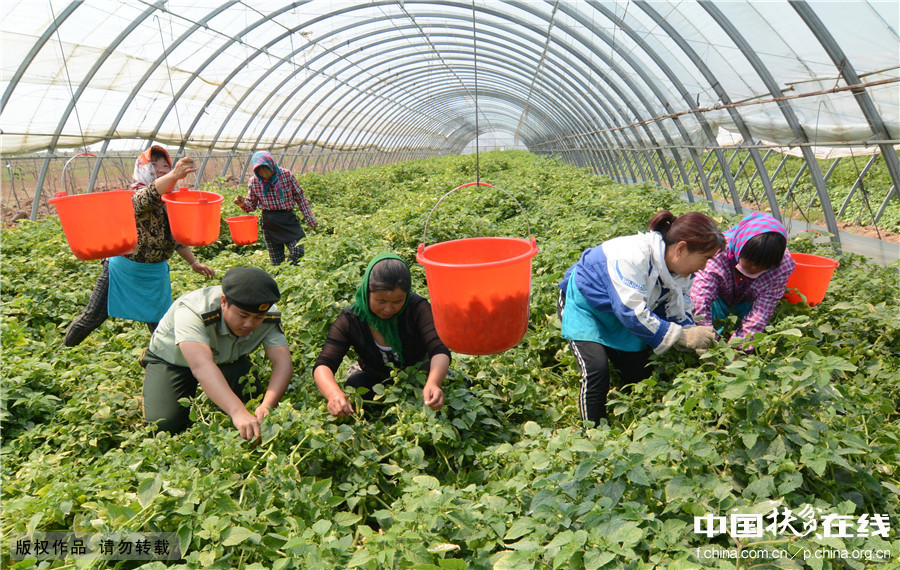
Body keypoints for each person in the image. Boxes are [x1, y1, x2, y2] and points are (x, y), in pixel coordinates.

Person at [557, 210, 726, 426]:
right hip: (586, 307)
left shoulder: (681, 272)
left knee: (638, 375)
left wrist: (695, 335)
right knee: (597, 370)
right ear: (682, 249)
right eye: (704, 259)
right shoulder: (631, 256)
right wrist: (683, 336)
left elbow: (678, 306)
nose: (704, 267)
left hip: (623, 313)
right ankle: (593, 433)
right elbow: (633, 313)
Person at [64, 145, 215, 347]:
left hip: (154, 273)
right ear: (143, 168)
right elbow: (149, 195)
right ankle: (65, 348)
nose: (161, 169)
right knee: (92, 316)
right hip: (123, 270)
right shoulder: (133, 196)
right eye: (154, 165)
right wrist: (175, 175)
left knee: (161, 323)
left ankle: (165, 360)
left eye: (165, 165)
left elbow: (175, 236)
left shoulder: (170, 201)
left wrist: (194, 263)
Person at [140, 266, 292, 440]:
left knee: (252, 404)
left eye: (257, 318)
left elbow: (282, 363)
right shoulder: (192, 311)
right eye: (243, 315)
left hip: (228, 361)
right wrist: (237, 412)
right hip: (173, 362)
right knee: (163, 426)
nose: (250, 324)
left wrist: (268, 405)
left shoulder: (267, 314)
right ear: (224, 301)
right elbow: (202, 367)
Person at [313, 253, 451, 417]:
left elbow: (439, 349)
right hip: (376, 377)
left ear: (406, 296)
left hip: (419, 375)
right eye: (381, 301)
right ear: (367, 292)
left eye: (397, 302)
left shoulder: (417, 308)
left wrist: (433, 383)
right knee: (356, 385)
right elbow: (324, 363)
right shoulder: (352, 318)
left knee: (447, 390)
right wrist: (333, 394)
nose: (388, 309)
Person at [690, 212, 796, 347]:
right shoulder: (719, 250)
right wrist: (705, 337)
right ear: (740, 248)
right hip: (719, 297)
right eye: (751, 261)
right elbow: (700, 297)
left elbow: (761, 312)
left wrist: (740, 347)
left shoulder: (782, 265)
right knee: (707, 317)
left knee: (751, 326)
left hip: (748, 301)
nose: (754, 268)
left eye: (763, 265)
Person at [234, 151, 318, 265]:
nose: (263, 172)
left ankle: (289, 272)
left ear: (271, 164)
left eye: (266, 168)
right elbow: (251, 206)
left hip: (288, 219)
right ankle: (281, 277)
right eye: (259, 170)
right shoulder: (254, 182)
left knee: (298, 251)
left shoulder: (286, 175)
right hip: (270, 223)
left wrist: (310, 218)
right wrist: (243, 204)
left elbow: (300, 197)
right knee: (277, 263)